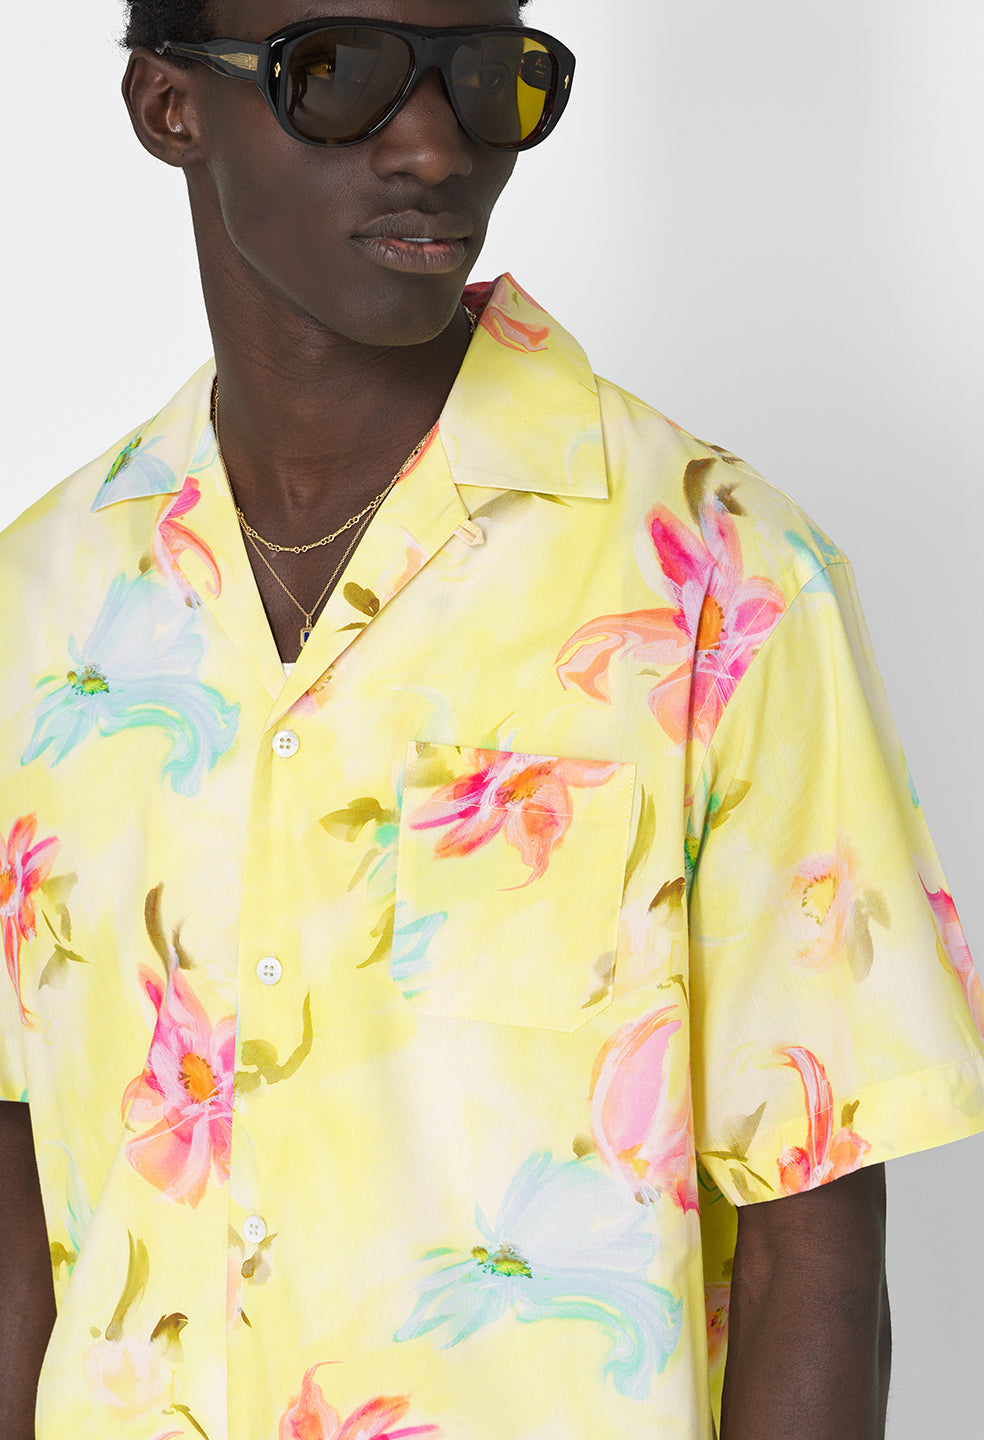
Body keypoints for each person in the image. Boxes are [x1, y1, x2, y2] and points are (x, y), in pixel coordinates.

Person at [1, 2, 981, 1437]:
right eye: (340, 74)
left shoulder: (723, 579)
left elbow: (811, 1254)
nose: (433, 145)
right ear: (171, 108)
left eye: (487, 77)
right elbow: (21, 1183)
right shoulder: (37, 607)